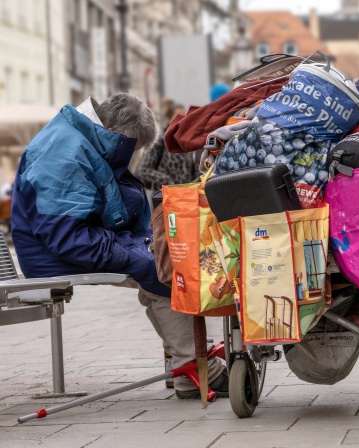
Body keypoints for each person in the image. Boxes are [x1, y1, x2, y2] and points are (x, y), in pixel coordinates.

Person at [10, 93, 228, 399]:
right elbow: (67, 238)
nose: (133, 156)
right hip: (52, 253)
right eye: (133, 148)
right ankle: (198, 367)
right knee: (164, 267)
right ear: (118, 134)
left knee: (168, 258)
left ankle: (188, 366)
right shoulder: (65, 152)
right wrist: (135, 251)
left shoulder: (81, 140)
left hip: (70, 241)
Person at [136, 99, 199, 209]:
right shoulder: (160, 141)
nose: (182, 121)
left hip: (185, 199)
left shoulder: (187, 143)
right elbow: (144, 169)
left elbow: (193, 170)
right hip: (164, 199)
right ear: (168, 119)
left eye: (184, 117)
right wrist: (167, 180)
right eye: (178, 117)